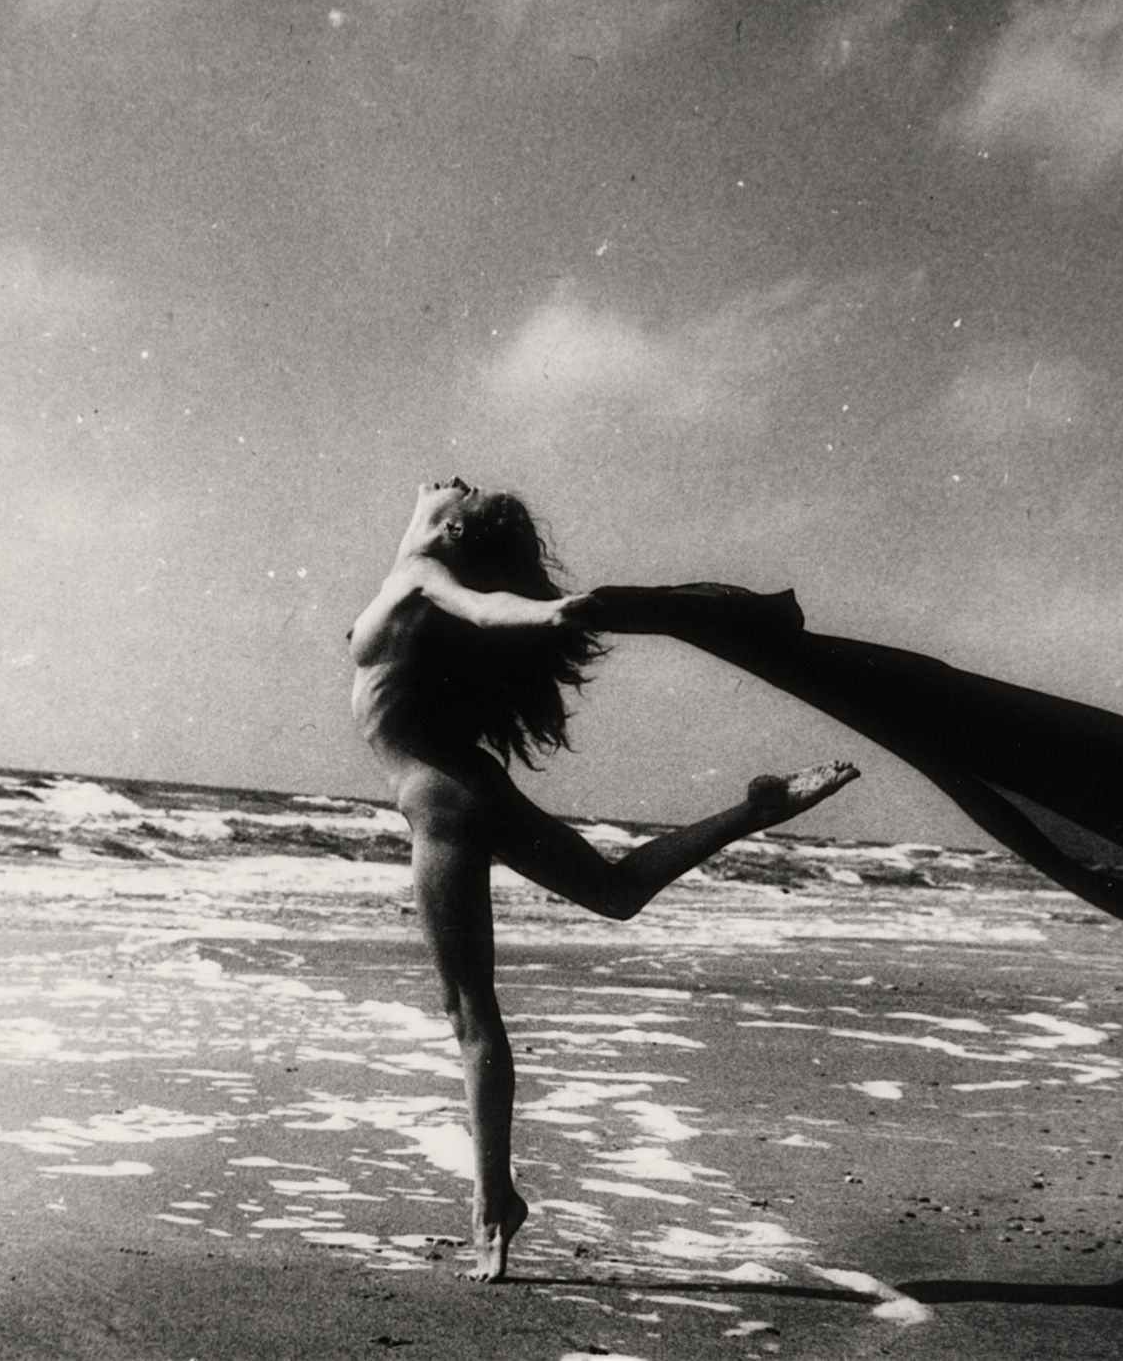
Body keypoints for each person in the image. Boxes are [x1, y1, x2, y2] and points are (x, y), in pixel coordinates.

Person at [349, 477, 858, 1281]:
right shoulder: (412, 570)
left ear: (451, 533)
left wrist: (551, 613)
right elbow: (453, 585)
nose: (451, 482)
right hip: (467, 788)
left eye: (457, 497)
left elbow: (488, 609)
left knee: (470, 1015)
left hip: (442, 807)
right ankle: (753, 810)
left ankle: (492, 1203)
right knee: (616, 893)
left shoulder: (423, 578)